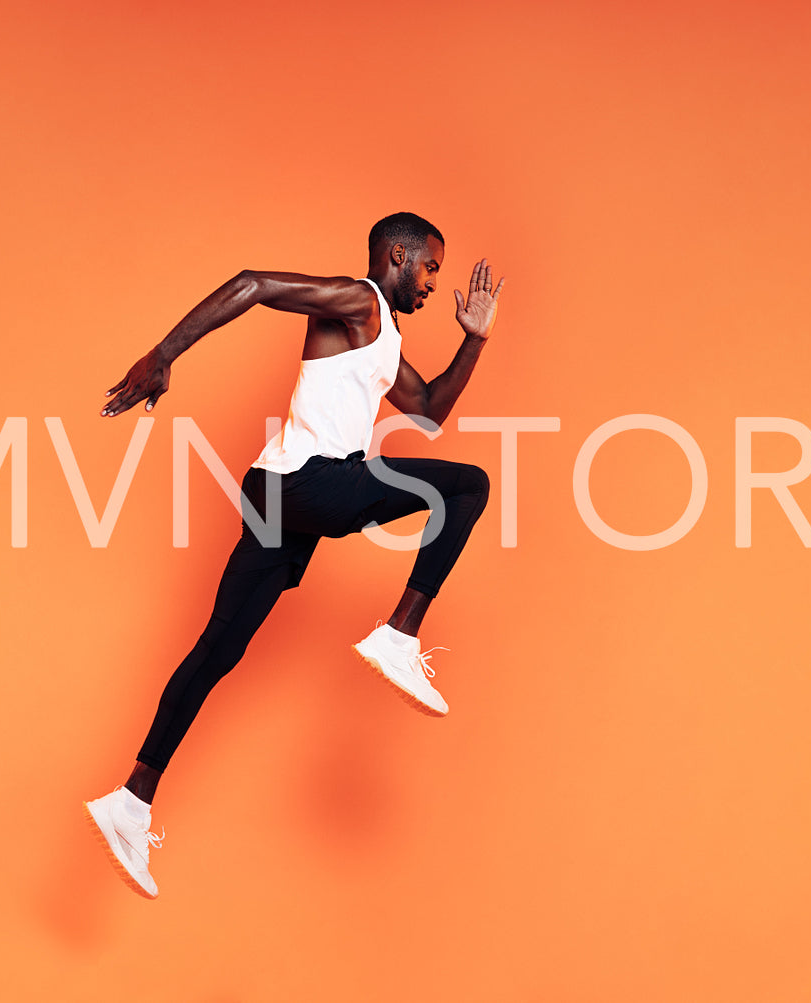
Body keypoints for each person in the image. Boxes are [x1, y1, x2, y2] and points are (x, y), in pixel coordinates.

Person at [84, 212, 504, 898]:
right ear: (397, 255)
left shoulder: (380, 337)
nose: (434, 283)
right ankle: (399, 633)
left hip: (277, 492)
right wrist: (164, 352)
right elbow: (252, 284)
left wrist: (475, 339)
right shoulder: (358, 299)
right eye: (429, 267)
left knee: (218, 649)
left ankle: (130, 800)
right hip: (307, 484)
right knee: (470, 485)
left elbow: (426, 408)